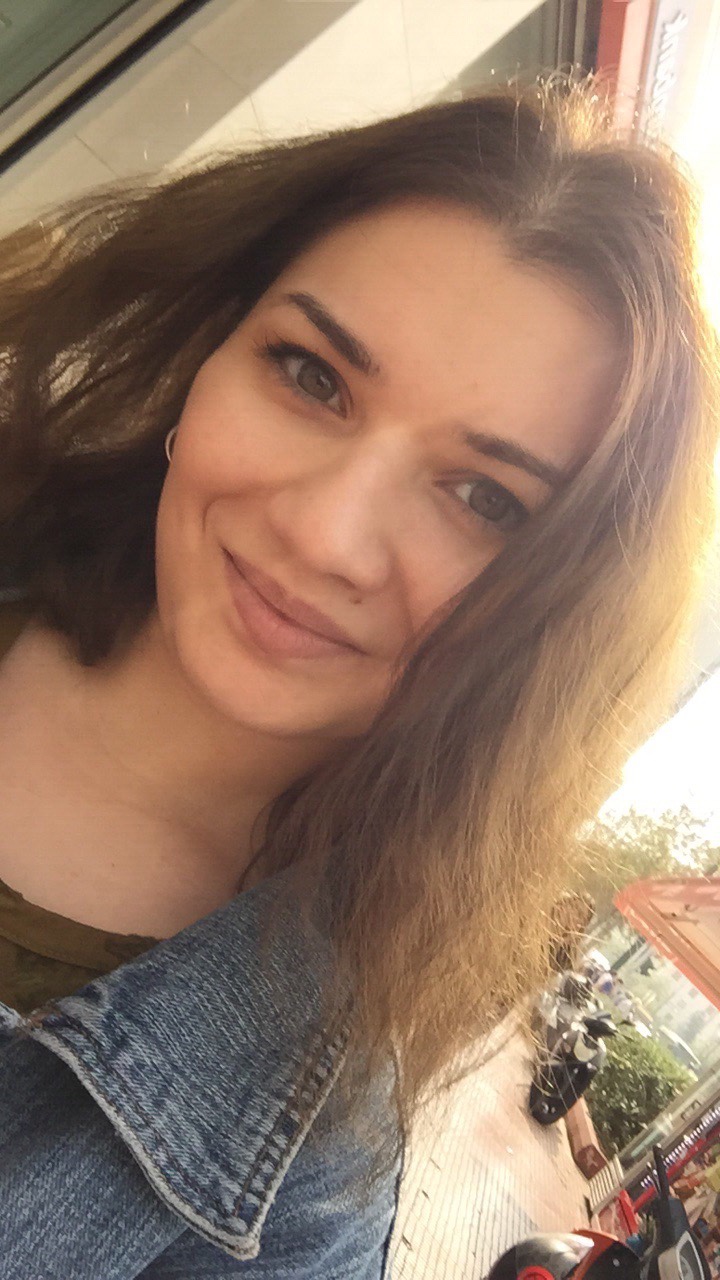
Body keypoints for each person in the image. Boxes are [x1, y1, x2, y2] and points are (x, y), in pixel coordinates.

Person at [0, 80, 718, 1277]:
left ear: (552, 615)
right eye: (310, 374)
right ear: (209, 347)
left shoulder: (310, 1172)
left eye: (485, 499)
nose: (325, 533)